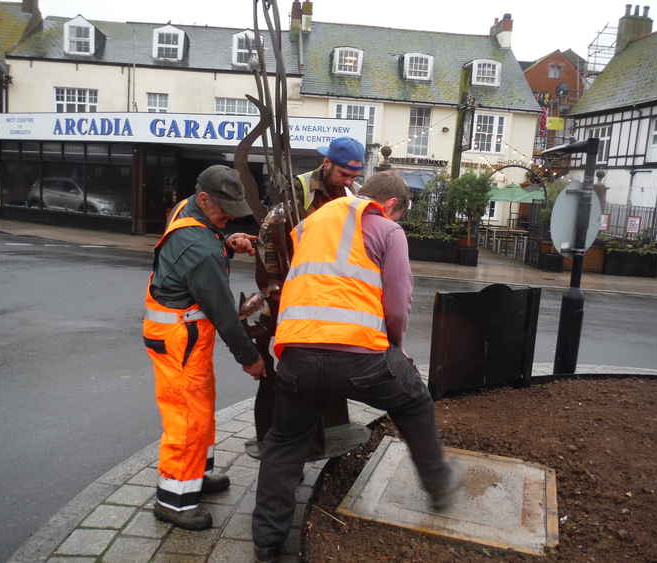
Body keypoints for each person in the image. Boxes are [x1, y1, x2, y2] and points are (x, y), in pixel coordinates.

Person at [251, 172, 460, 562]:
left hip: (297, 353)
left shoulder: (310, 224)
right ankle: (439, 486)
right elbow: (397, 304)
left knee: (284, 443)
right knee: (414, 402)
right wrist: (394, 350)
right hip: (361, 357)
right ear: (392, 205)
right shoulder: (387, 229)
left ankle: (267, 543)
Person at [143, 164, 265, 531]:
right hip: (180, 340)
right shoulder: (200, 249)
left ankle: (198, 474)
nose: (228, 217)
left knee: (201, 407)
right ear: (203, 198)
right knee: (185, 418)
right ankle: (175, 500)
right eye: (223, 210)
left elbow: (201, 245)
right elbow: (226, 317)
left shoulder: (187, 211)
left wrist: (226, 242)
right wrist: (251, 360)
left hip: (184, 337)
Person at [250, 136, 367, 444]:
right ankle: (284, 442)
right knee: (292, 376)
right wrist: (274, 290)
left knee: (324, 371)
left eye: (354, 177)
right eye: (344, 175)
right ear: (326, 163)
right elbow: (268, 237)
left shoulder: (352, 194)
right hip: (294, 294)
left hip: (330, 296)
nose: (349, 182)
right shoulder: (299, 191)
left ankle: (317, 437)